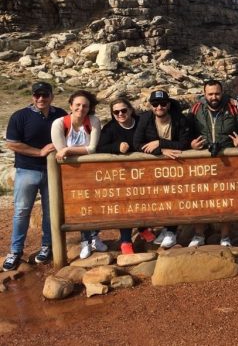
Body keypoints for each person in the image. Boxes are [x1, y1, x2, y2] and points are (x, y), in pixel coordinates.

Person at [2, 82, 67, 271]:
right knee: (22, 211)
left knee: (50, 211)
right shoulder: (20, 116)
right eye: (37, 95)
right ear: (32, 96)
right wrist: (39, 152)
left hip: (53, 171)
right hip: (27, 170)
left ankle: (47, 246)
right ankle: (15, 251)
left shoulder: (60, 115)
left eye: (45, 95)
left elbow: (71, 135)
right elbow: (12, 143)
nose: (41, 99)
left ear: (52, 96)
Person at [189, 80, 238, 247]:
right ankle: (199, 234)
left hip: (226, 161)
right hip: (202, 161)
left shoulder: (232, 109)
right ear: (204, 94)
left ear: (222, 93)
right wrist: (191, 144)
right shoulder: (196, 110)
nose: (214, 97)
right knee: (200, 197)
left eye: (217, 93)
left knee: (225, 198)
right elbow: (187, 133)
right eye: (210, 94)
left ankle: (225, 236)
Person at [133, 90, 193, 248]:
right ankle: (163, 228)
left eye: (163, 103)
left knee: (173, 196)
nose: (159, 107)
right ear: (151, 106)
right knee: (156, 197)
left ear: (169, 104)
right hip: (153, 167)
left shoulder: (179, 119)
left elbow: (184, 143)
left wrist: (160, 143)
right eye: (155, 104)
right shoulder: (145, 119)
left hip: (175, 165)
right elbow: (137, 143)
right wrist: (161, 151)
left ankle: (171, 231)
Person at [51, 90, 105, 259]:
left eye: (85, 106)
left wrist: (69, 149)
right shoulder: (59, 123)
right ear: (71, 106)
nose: (81, 109)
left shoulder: (93, 121)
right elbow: (60, 151)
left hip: (91, 172)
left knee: (95, 204)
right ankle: (84, 241)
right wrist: (67, 150)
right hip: (71, 174)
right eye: (78, 105)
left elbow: (92, 148)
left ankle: (95, 237)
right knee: (80, 207)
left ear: (90, 108)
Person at [97, 97, 155, 254]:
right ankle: (125, 240)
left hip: (143, 170)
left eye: (123, 110)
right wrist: (117, 147)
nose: (120, 114)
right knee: (125, 205)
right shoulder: (110, 128)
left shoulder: (141, 122)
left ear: (130, 110)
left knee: (144, 200)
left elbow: (151, 137)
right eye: (116, 112)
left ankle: (142, 228)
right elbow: (100, 147)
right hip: (122, 173)